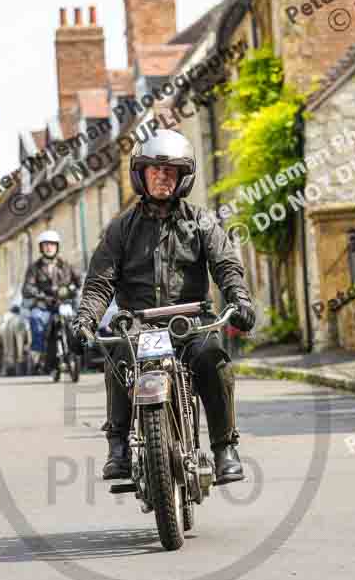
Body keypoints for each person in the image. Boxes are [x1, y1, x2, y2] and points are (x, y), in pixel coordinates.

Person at [71, 129, 255, 485]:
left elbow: (226, 266)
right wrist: (85, 319)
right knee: (118, 354)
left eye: (170, 171)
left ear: (182, 177)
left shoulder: (202, 222)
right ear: (140, 175)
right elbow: (100, 282)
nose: (161, 177)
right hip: (138, 325)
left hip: (190, 323)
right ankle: (118, 447)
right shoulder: (120, 229)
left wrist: (239, 298)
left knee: (213, 359)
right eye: (154, 170)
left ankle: (224, 448)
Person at [22, 230, 81, 373]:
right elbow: (27, 288)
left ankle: (82, 347)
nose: (49, 248)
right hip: (44, 305)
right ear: (41, 248)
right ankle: (38, 352)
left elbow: (79, 280)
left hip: (63, 304)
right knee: (36, 318)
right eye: (46, 245)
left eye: (52, 245)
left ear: (57, 247)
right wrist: (38, 294)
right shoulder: (34, 268)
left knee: (77, 320)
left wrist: (71, 289)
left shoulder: (66, 265)